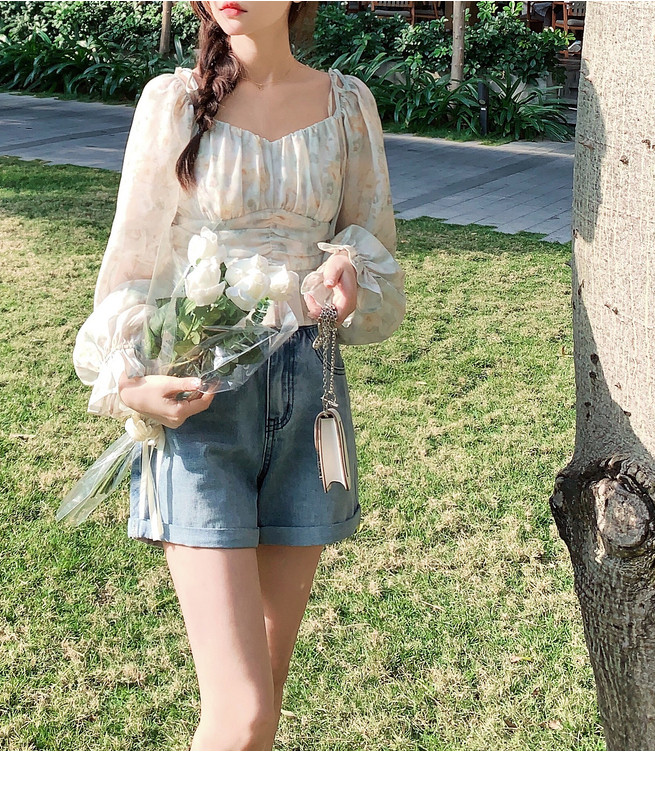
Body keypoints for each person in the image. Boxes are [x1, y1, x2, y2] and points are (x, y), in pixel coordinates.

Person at [71, 0, 405, 750]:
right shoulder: (174, 103)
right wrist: (128, 381)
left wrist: (349, 273)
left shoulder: (347, 106)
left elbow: (372, 245)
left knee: (262, 709)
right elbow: (131, 263)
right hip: (201, 405)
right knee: (243, 709)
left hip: (310, 400)